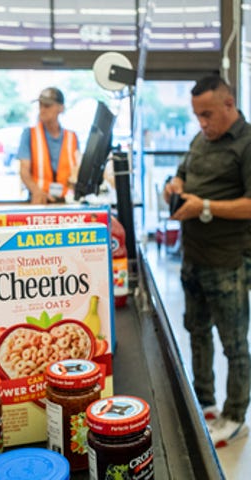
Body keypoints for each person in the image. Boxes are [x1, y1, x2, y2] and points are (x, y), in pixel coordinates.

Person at [164, 75, 251, 447]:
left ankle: (234, 415)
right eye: (197, 115)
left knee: (233, 344)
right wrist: (176, 184)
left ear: (229, 105)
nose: (202, 123)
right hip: (193, 258)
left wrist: (206, 207)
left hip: (227, 262)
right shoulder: (201, 138)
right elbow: (183, 172)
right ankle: (206, 403)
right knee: (197, 334)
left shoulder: (247, 144)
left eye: (208, 114)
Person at [18, 87, 79, 204]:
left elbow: (76, 170)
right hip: (40, 201)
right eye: (40, 106)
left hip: (66, 201)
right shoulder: (29, 134)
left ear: (61, 108)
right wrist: (37, 192)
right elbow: (24, 171)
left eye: (47, 106)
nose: (42, 110)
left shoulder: (72, 137)